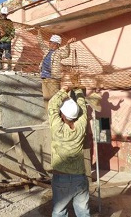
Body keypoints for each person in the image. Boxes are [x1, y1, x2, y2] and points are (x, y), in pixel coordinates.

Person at [48, 82, 90, 217]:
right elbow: (82, 106)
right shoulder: (82, 126)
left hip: (61, 177)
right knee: (83, 211)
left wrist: (65, 89)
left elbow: (52, 105)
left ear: (63, 116)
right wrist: (77, 89)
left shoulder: (57, 129)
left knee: (59, 211)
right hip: (80, 177)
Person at [39, 34, 76, 114]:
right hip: (44, 78)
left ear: (57, 45)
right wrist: (39, 32)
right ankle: (49, 118)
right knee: (46, 99)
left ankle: (57, 116)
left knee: (54, 99)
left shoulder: (59, 53)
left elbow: (66, 54)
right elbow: (41, 44)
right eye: (50, 42)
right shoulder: (47, 51)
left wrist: (68, 44)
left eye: (52, 43)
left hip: (53, 79)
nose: (50, 44)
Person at [0, 7, 15, 71]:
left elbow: (13, 30)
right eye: (3, 14)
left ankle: (9, 68)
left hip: (7, 41)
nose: (4, 15)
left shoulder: (10, 22)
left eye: (5, 14)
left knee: (8, 55)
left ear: (6, 14)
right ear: (1, 14)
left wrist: (11, 37)